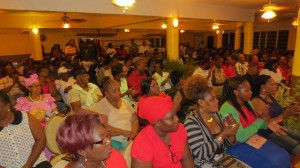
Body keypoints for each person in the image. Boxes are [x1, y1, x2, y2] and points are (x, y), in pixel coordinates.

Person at [219, 76, 290, 168]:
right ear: (236, 92)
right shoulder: (227, 109)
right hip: (237, 146)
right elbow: (240, 137)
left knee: (283, 155)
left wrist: (268, 125)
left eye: (250, 89)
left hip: (253, 139)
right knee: (272, 163)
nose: (251, 92)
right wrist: (260, 122)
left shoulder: (247, 103)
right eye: (247, 90)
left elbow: (257, 122)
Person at [183, 75, 238, 167]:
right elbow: (200, 154)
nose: (217, 101)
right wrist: (223, 134)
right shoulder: (191, 123)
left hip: (223, 160)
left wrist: (231, 131)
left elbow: (228, 145)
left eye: (216, 97)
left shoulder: (215, 115)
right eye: (212, 99)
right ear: (201, 102)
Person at [131, 96, 195, 168]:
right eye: (171, 117)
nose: (177, 119)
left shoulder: (179, 129)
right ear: (158, 122)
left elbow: (187, 159)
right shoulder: (142, 144)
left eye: (176, 114)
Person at [56, 112, 127, 168]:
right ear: (82, 150)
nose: (109, 141)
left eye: (107, 135)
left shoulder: (113, 156)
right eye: (102, 139)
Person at [251, 75, 300, 155]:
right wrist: (284, 115)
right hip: (268, 134)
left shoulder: (270, 97)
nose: (276, 86)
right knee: (297, 147)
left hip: (279, 129)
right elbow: (265, 124)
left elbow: (277, 114)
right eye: (272, 84)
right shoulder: (257, 102)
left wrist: (289, 110)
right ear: (263, 87)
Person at [0, 91, 51, 168]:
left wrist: (29, 164)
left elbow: (41, 139)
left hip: (35, 162)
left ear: (7, 106)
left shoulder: (25, 117)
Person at [92, 79, 139, 150]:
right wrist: (124, 132)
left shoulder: (125, 102)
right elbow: (104, 128)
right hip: (114, 140)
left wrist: (134, 132)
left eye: (118, 90)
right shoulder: (101, 106)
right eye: (114, 91)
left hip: (130, 137)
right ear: (106, 93)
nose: (118, 93)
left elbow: (135, 119)